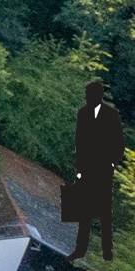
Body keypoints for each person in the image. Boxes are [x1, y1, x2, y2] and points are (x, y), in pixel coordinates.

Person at [71, 80, 123, 264]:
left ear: (98, 95)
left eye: (90, 94)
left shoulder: (111, 115)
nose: (88, 98)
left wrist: (111, 166)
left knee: (104, 211)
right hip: (86, 169)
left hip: (103, 169)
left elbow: (118, 143)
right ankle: (80, 249)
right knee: (84, 211)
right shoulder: (83, 113)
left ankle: (107, 251)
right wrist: (79, 170)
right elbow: (79, 142)